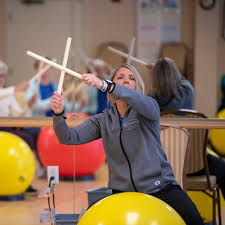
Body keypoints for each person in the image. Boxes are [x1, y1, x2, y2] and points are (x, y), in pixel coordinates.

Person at [50, 63, 204, 225]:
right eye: (120, 78)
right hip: (122, 194)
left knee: (195, 221)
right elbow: (67, 137)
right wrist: (58, 113)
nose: (126, 81)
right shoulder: (104, 120)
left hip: (160, 189)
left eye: (131, 78)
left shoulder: (148, 110)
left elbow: (146, 104)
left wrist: (105, 84)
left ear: (137, 86)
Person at [147, 57, 225, 200]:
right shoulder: (187, 90)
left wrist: (159, 71)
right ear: (175, 74)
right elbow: (181, 81)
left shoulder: (151, 101)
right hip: (194, 165)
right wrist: (167, 70)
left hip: (164, 169)